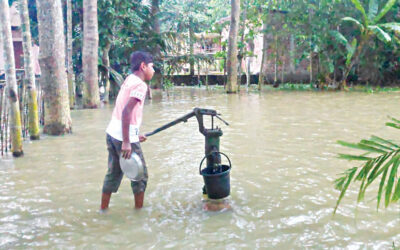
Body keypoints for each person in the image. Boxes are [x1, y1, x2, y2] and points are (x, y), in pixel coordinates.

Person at [100, 51, 154, 211]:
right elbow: (126, 112)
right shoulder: (140, 85)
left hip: (112, 134)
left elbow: (124, 111)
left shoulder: (129, 80)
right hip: (123, 138)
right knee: (140, 176)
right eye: (152, 66)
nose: (153, 70)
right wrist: (127, 141)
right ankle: (139, 211)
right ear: (143, 66)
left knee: (113, 173)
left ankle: (103, 210)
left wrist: (135, 135)